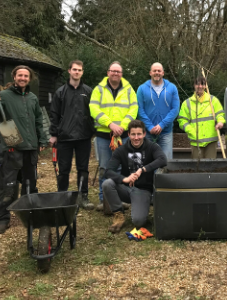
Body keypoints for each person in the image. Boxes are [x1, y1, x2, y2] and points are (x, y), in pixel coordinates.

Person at [0, 65, 48, 235]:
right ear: (14, 77)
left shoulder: (33, 98)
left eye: (26, 76)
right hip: (12, 145)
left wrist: (42, 139)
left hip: (31, 146)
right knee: (8, 185)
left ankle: (29, 213)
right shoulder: (4, 96)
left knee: (30, 184)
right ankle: (2, 219)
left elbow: (38, 120)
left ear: (29, 79)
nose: (22, 78)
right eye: (20, 75)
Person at [102, 120, 167, 233]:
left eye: (139, 134)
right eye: (133, 134)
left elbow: (163, 160)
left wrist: (142, 169)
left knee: (138, 222)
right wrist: (124, 179)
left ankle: (142, 206)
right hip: (125, 188)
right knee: (107, 184)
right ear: (128, 134)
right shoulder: (121, 150)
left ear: (144, 134)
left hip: (143, 191)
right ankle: (118, 214)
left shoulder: (152, 147)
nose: (136, 138)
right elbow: (108, 171)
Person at [90, 61, 138, 211]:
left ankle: (119, 198)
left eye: (118, 72)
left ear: (121, 74)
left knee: (122, 168)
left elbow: (133, 108)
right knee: (105, 167)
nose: (115, 74)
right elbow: (93, 108)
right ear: (108, 73)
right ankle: (104, 200)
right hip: (104, 135)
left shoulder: (129, 89)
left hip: (123, 136)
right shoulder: (98, 89)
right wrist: (110, 124)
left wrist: (123, 126)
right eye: (113, 71)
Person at [49, 60, 94, 210]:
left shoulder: (88, 92)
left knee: (83, 168)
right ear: (69, 71)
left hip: (83, 137)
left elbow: (94, 113)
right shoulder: (60, 92)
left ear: (82, 72)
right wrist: (54, 134)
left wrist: (92, 130)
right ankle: (63, 197)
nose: (77, 72)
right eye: (74, 69)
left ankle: (83, 197)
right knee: (64, 169)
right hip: (64, 138)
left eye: (79, 70)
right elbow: (54, 114)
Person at [136, 62, 180, 160]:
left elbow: (175, 109)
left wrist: (162, 125)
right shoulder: (141, 89)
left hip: (166, 132)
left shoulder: (172, 88)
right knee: (146, 162)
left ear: (163, 73)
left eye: (159, 71)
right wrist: (150, 126)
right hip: (147, 133)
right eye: (154, 70)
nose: (157, 73)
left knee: (165, 162)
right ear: (150, 73)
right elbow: (139, 109)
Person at [177, 76, 226, 159]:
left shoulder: (213, 100)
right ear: (194, 85)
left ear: (206, 85)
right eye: (197, 84)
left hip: (211, 141)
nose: (200, 86)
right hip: (195, 141)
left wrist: (220, 122)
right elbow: (182, 121)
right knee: (197, 167)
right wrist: (192, 131)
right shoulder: (187, 103)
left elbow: (220, 114)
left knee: (210, 167)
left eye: (202, 84)